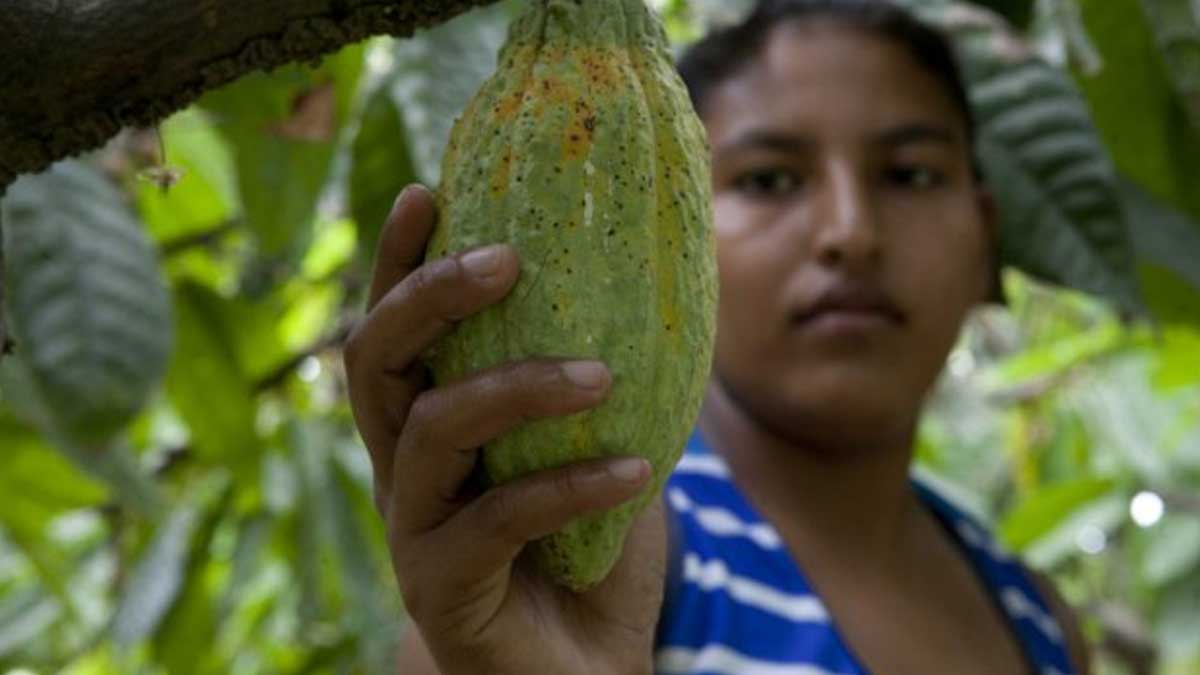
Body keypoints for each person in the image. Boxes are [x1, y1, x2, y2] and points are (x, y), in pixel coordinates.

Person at [341, 1, 1094, 673]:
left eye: (911, 175)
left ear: (988, 236)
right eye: (769, 179)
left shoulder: (1040, 620)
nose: (849, 234)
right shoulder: (563, 552)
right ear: (667, 218)